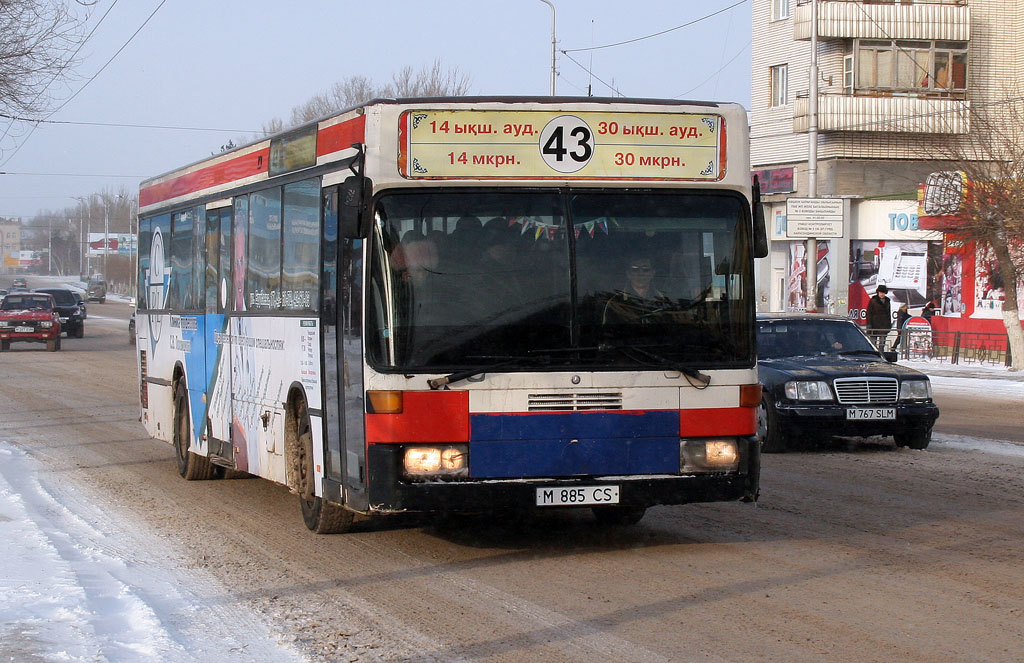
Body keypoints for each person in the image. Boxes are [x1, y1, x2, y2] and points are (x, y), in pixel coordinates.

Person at [602, 255, 668, 326]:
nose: (640, 273)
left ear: (652, 273)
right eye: (635, 269)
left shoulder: (664, 303)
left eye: (645, 269)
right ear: (628, 274)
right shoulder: (615, 303)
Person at [865, 284, 892, 349]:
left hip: (884, 325)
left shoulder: (887, 301)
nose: (882, 294)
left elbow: (888, 313)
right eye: (880, 292)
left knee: (882, 343)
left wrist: (889, 324)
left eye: (883, 293)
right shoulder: (873, 300)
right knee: (873, 343)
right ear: (878, 292)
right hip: (874, 325)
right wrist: (869, 324)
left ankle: (881, 355)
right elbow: (869, 313)